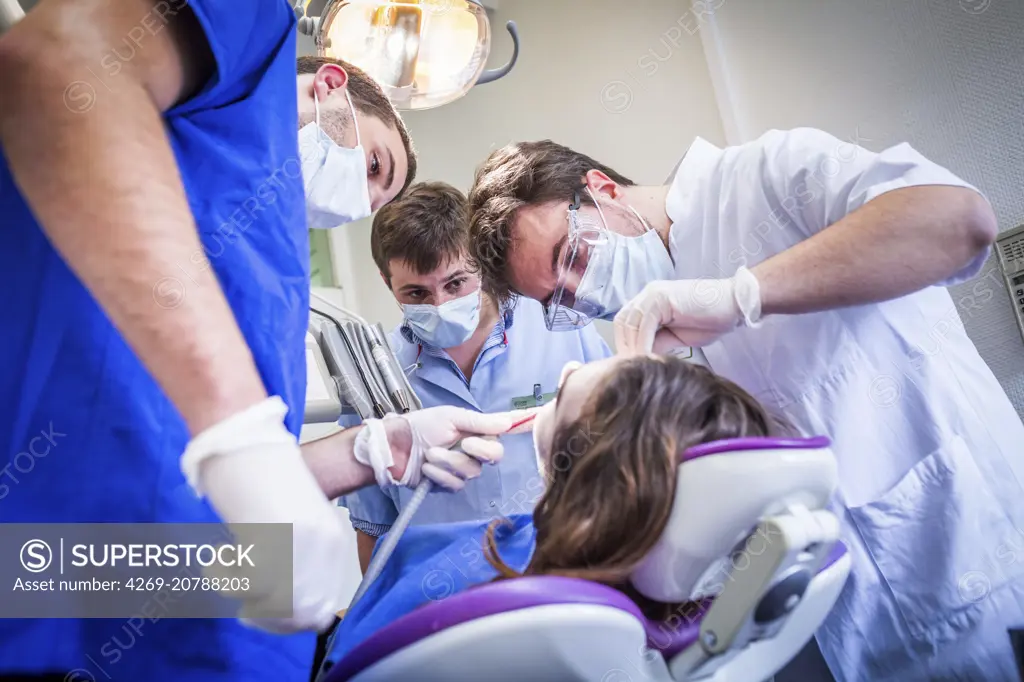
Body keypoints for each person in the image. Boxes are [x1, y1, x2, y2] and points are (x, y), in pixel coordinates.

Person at [0, 2, 506, 680]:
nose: (365, 202)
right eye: (376, 167)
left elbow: (219, 485)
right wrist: (241, 434)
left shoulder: (277, 269)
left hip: (109, 578)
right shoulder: (254, 34)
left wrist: (372, 451)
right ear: (329, 84)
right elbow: (60, 64)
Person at [466, 132, 1024, 681]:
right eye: (559, 299)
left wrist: (741, 295)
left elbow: (961, 221)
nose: (582, 292)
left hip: (981, 563)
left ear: (603, 189)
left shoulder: (766, 175)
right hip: (847, 638)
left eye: (573, 254)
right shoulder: (656, 346)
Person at [324, 354, 791, 670]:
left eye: (565, 394)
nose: (568, 366)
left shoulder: (433, 563)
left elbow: (330, 646)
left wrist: (355, 458)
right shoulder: (683, 602)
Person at [341, 182, 612, 572]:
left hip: (563, 573)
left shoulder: (561, 327)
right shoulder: (374, 375)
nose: (441, 305)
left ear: (482, 262)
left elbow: (618, 447)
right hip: (439, 597)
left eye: (455, 283)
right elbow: (373, 526)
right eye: (416, 294)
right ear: (387, 282)